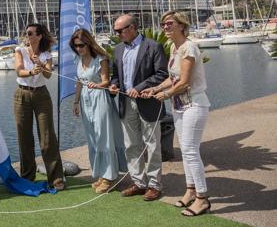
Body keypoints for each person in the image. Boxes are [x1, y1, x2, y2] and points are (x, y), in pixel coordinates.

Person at [141, 11, 211, 216]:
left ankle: (203, 198)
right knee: (186, 150)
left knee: (190, 151)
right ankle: (190, 191)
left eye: (170, 23)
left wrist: (165, 94)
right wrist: (155, 89)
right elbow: (173, 78)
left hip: (194, 105)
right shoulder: (174, 47)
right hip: (179, 106)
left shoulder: (189, 47)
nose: (165, 27)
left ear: (182, 25)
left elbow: (185, 82)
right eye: (163, 24)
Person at [109, 14, 168, 201]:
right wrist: (113, 86)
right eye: (115, 31)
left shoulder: (153, 46)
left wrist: (140, 88)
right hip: (125, 103)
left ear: (132, 27)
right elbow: (116, 76)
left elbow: (162, 74)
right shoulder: (118, 50)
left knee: (152, 145)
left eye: (120, 31)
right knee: (131, 145)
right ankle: (139, 182)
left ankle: (154, 185)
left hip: (149, 102)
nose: (117, 34)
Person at [70, 29, 127, 194]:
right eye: (75, 46)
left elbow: (106, 82)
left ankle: (110, 176)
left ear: (88, 43)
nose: (79, 49)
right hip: (85, 101)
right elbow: (79, 82)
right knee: (93, 138)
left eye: (81, 45)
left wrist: (97, 85)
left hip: (100, 99)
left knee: (104, 136)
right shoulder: (78, 60)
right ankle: (102, 174)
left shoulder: (100, 59)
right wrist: (75, 101)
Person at [13, 23, 65, 191]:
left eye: (30, 33)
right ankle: (28, 176)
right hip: (22, 94)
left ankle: (56, 178)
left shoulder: (47, 55)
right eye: (26, 33)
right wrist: (30, 72)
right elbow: (18, 70)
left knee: (47, 137)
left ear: (39, 35)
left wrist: (40, 66)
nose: (27, 36)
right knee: (24, 137)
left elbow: (49, 74)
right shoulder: (19, 50)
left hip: (42, 95)